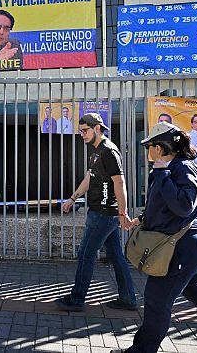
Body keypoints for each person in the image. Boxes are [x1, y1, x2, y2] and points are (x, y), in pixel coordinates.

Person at [114, 121, 197, 353]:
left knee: (157, 300)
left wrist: (162, 173)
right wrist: (143, 219)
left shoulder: (180, 168)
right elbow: (163, 205)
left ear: (161, 147)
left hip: (182, 246)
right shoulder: (169, 168)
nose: (147, 151)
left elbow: (184, 206)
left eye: (150, 146)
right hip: (184, 245)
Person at [56, 113, 138, 313]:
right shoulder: (96, 151)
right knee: (116, 255)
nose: (82, 135)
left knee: (85, 254)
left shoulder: (109, 152)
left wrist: (122, 212)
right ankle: (128, 298)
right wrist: (73, 198)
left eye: (85, 130)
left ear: (98, 128)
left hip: (104, 214)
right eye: (80, 131)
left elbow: (119, 182)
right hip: (102, 213)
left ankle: (77, 299)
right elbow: (89, 178)